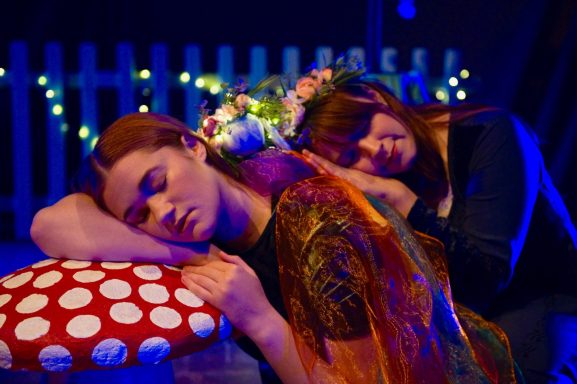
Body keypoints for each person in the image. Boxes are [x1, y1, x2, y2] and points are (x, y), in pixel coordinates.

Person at [31, 112, 518, 383]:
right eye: (140, 216)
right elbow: (47, 226)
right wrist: (185, 255)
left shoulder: (316, 224)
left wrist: (261, 320)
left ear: (193, 145)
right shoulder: (222, 232)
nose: (163, 213)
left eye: (158, 182)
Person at [290, 65, 577, 383]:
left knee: (511, 364)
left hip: (544, 296)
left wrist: (401, 201)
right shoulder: (391, 176)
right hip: (467, 315)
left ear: (375, 97)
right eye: (351, 157)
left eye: (362, 129)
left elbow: (488, 276)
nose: (375, 150)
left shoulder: (492, 135)